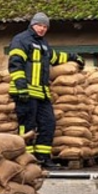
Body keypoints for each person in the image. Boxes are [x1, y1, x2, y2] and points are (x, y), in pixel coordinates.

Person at [7, 12, 82, 167]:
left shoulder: (44, 44)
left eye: (45, 26)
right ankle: (26, 159)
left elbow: (55, 58)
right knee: (27, 126)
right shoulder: (21, 40)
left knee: (48, 124)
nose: (41, 29)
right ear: (32, 25)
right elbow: (15, 63)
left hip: (41, 94)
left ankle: (43, 158)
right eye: (39, 25)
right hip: (25, 93)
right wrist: (21, 87)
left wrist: (73, 57)